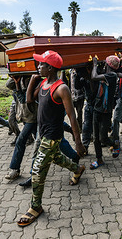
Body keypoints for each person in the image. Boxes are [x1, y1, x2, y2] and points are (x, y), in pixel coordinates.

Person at [17, 50, 86, 227]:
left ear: (50, 67)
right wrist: (33, 80)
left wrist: (78, 142)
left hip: (52, 137)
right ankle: (77, 169)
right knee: (57, 158)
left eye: (41, 64)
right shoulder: (44, 83)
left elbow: (72, 117)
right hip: (42, 133)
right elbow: (29, 99)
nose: (38, 67)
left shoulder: (61, 88)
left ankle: (35, 207)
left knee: (38, 171)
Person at [5, 76, 37, 180]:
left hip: (33, 117)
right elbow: (8, 84)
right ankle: (16, 170)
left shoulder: (33, 79)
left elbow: (24, 99)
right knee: (45, 143)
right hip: (26, 116)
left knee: (23, 141)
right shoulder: (21, 78)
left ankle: (28, 171)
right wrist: (15, 76)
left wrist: (19, 83)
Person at [90, 55, 119, 169]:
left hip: (105, 112)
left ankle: (115, 143)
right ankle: (99, 160)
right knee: (96, 138)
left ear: (108, 64)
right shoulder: (107, 74)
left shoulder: (112, 75)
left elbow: (94, 76)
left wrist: (95, 64)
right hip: (97, 109)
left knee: (103, 138)